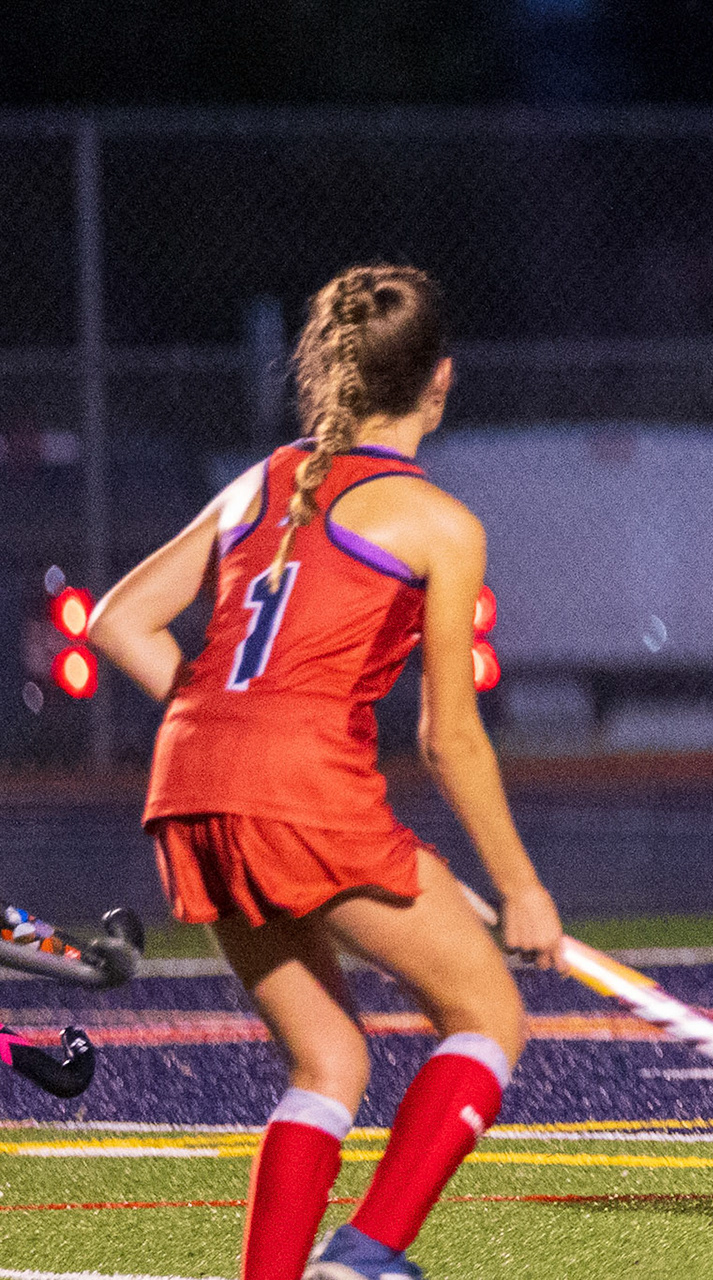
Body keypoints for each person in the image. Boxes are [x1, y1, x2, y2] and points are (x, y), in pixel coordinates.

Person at [89, 264, 562, 1280]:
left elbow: (118, 620)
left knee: (330, 1059)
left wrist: (219, 724)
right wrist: (521, 885)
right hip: (301, 788)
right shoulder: (440, 522)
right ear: (440, 379)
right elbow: (450, 737)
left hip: (187, 788)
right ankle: (364, 1256)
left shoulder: (264, 478)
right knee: (487, 1014)